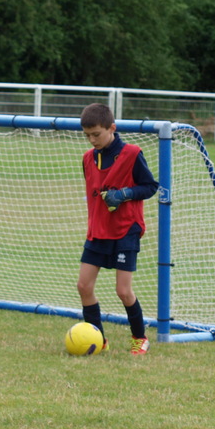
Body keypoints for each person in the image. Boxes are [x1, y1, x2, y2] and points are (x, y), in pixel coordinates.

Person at [77, 103, 159, 355]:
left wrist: (124, 194)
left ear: (112, 128)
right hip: (97, 231)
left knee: (123, 291)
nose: (92, 140)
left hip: (125, 231)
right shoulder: (87, 158)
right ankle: (98, 339)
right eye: (87, 136)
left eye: (97, 134)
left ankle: (140, 338)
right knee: (83, 286)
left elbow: (150, 186)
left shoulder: (132, 154)